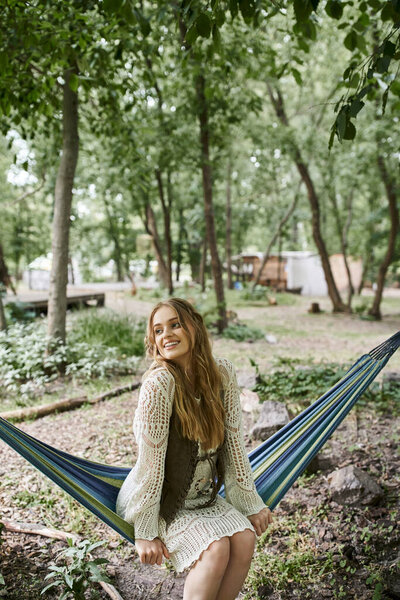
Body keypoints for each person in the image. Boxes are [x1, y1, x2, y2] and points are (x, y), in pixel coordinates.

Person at [116, 298, 273, 600]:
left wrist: (251, 503)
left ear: (195, 327)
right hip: (161, 503)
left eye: (175, 324)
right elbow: (150, 466)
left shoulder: (222, 374)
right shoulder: (160, 384)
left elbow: (234, 449)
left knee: (243, 538)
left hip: (203, 501)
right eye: (158, 330)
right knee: (215, 549)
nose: (167, 334)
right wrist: (146, 531)